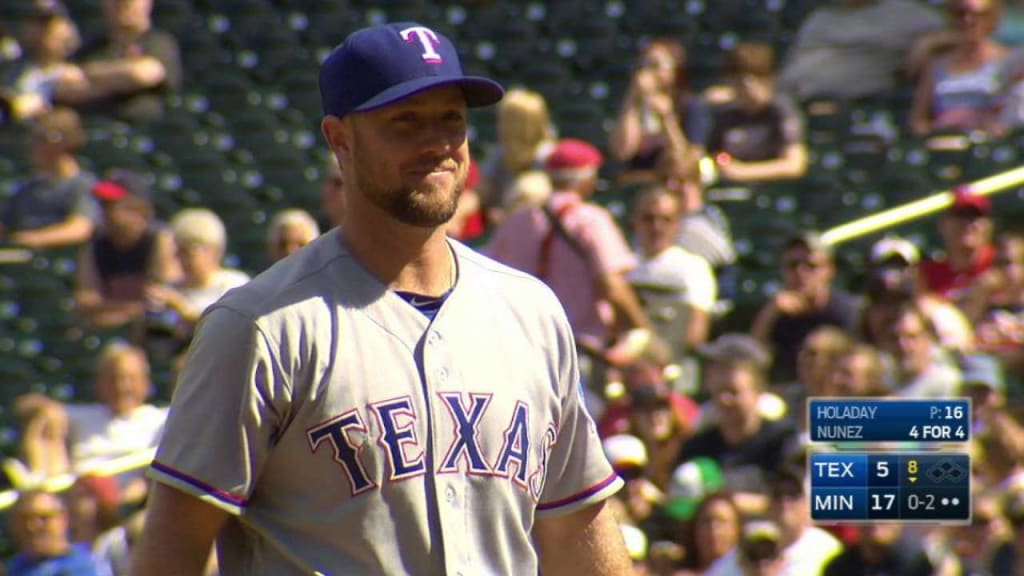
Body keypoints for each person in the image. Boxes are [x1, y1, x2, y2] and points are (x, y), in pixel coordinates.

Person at [130, 22, 631, 576]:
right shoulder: (261, 326)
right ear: (339, 138)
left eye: (452, 119)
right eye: (404, 122)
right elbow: (174, 546)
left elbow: (577, 526)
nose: (437, 143)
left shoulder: (530, 312)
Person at [488, 138, 652, 387]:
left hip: (520, 353)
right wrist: (643, 328)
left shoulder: (516, 221)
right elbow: (612, 286)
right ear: (586, 179)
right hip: (577, 354)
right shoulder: (590, 219)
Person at [777, 0, 945, 102]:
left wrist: (929, 42)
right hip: (790, 102)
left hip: (854, 104)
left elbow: (965, 31)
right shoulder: (819, 17)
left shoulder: (906, 14)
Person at [63, 0, 182, 123]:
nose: (123, 7)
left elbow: (142, 74)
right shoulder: (91, 48)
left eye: (129, 2)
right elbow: (65, 84)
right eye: (117, 2)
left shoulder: (159, 42)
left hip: (140, 127)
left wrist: (88, 76)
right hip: (92, 127)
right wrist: (120, 79)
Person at [0, 106, 100, 250]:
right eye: (33, 138)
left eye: (42, 140)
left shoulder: (83, 184)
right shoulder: (29, 186)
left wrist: (31, 239)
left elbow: (80, 229)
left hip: (59, 259)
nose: (34, 146)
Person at [7, 491, 102, 576]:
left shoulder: (83, 564)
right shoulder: (16, 567)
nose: (33, 526)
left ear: (63, 520)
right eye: (25, 519)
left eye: (44, 518)